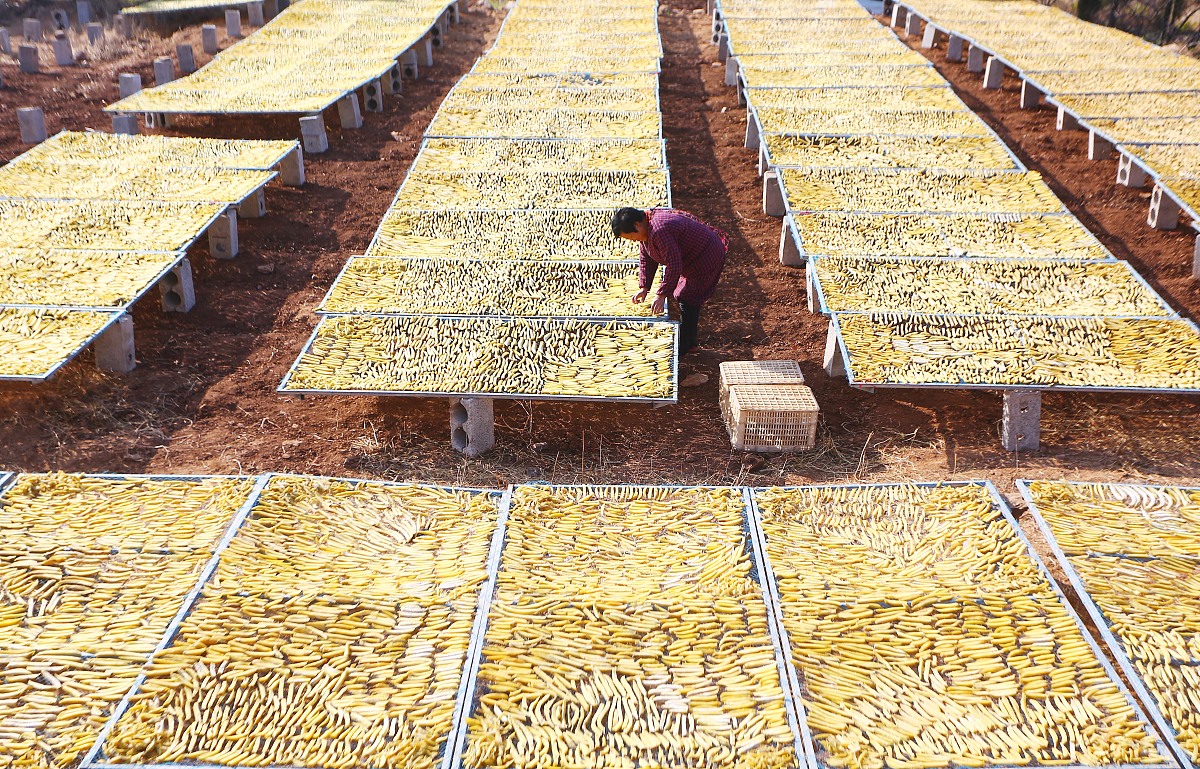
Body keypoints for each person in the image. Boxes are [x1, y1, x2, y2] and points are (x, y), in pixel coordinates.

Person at [610, 207, 728, 355]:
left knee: (688, 297)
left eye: (631, 236)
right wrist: (644, 287)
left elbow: (674, 264)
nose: (633, 240)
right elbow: (647, 257)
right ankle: (686, 337)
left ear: (637, 224)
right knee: (682, 293)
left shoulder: (659, 230)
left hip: (705, 255)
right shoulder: (647, 229)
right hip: (692, 256)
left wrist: (662, 294)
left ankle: (687, 344)